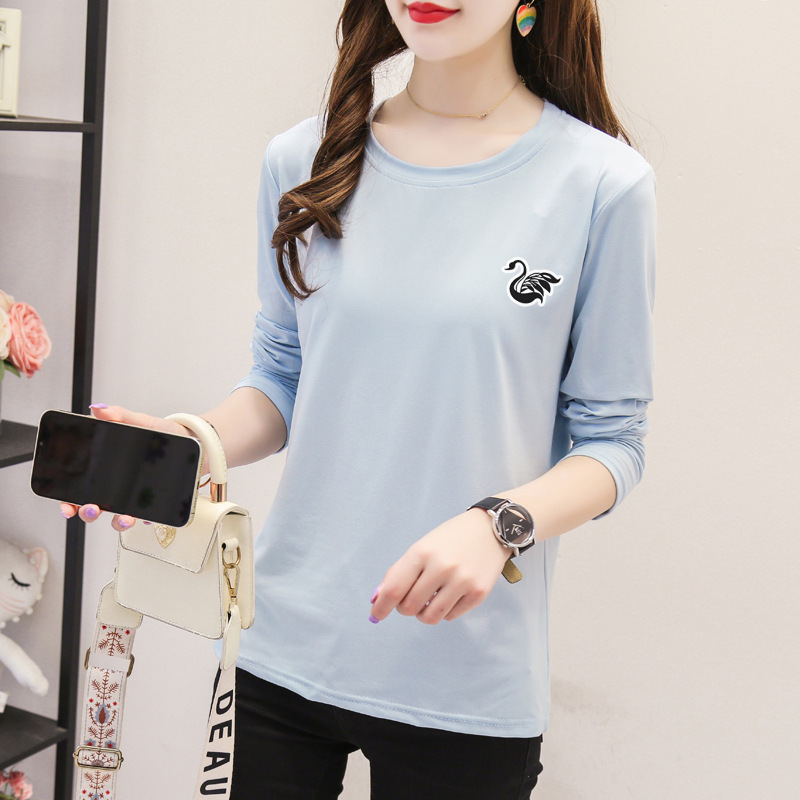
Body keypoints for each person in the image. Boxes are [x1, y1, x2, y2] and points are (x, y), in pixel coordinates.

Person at [64, 1, 656, 797]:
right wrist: (190, 441)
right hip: (280, 649)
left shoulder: (602, 184)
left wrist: (498, 524)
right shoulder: (303, 158)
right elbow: (282, 376)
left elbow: (613, 441)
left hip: (464, 678)